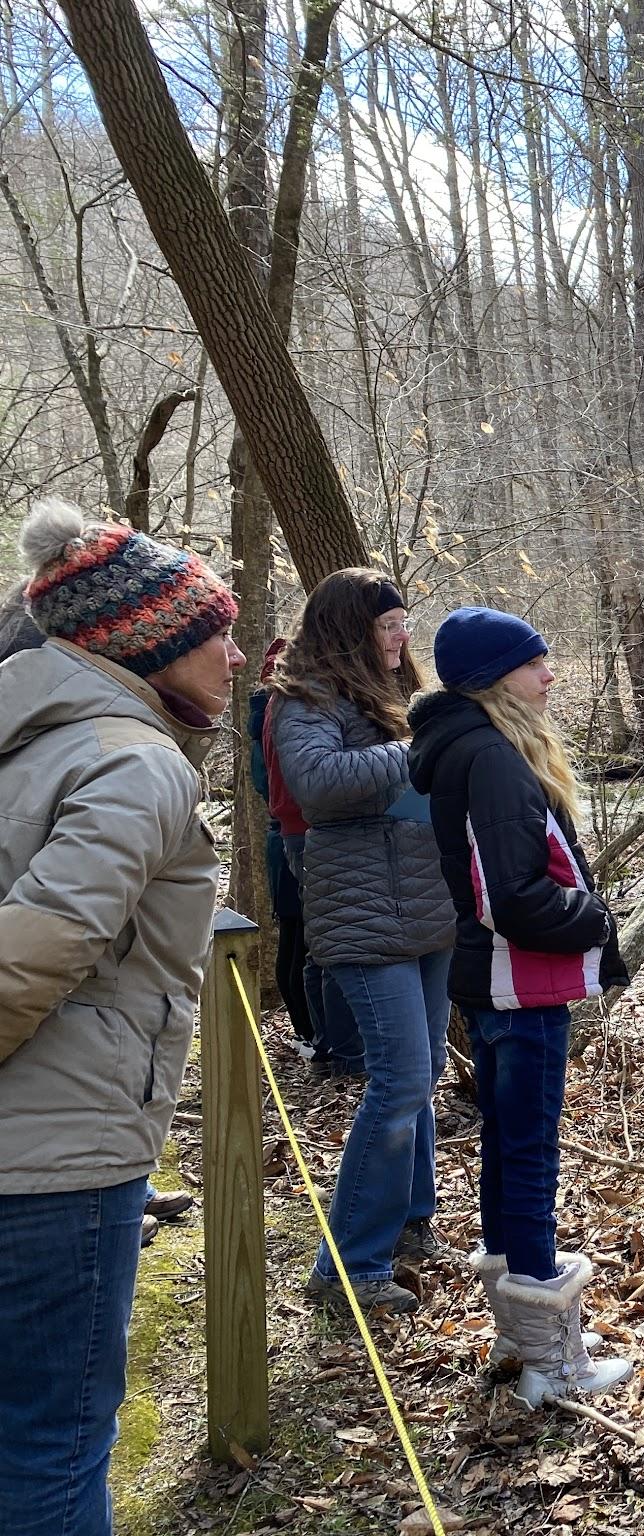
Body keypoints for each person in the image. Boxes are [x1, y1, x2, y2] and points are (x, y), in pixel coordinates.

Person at [0, 501, 244, 1535]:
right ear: (148, 638)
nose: (237, 656)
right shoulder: (132, 761)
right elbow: (32, 953)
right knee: (53, 1448)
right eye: (218, 632)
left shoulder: (27, 742)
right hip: (58, 1167)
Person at [409, 607, 632, 1405]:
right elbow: (513, 896)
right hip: (520, 982)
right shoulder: (495, 758)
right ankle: (554, 1367)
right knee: (529, 1158)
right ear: (496, 675)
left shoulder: (464, 749)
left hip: (494, 981)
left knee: (508, 1153)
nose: (549, 674)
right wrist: (599, 918)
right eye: (535, 663)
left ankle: (520, 1338)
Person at [269, 569, 455, 1315]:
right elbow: (315, 782)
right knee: (401, 1077)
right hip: (363, 914)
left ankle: (410, 1221)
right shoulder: (304, 697)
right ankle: (347, 1267)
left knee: (429, 1067)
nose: (401, 635)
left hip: (427, 908)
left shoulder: (398, 696)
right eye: (387, 625)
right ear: (351, 629)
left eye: (405, 622)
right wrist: (417, 751)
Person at [252, 637, 364, 1076]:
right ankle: (329, 1047)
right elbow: (290, 781)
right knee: (317, 946)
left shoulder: (279, 705)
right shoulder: (291, 707)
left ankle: (323, 1043)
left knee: (311, 943)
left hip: (294, 830)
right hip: (301, 831)